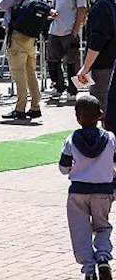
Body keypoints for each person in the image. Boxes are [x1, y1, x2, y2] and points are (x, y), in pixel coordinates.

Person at [62, 94, 116, 280]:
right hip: (104, 190)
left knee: (80, 230)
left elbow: (63, 168)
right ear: (100, 115)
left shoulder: (71, 139)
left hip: (78, 191)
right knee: (102, 226)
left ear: (77, 117)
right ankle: (102, 256)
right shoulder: (110, 138)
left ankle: (89, 267)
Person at [0, 0, 45, 120]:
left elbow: (3, 5)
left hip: (17, 35)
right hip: (31, 36)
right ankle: (35, 106)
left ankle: (20, 108)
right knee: (30, 72)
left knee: (18, 72)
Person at [79, 0, 116, 123]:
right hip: (112, 65)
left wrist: (85, 68)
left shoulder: (101, 7)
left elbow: (97, 41)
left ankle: (107, 147)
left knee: (102, 112)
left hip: (103, 69)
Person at [50, 0, 90, 100]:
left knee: (71, 62)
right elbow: (54, 4)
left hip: (69, 29)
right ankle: (59, 85)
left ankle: (73, 90)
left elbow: (82, 9)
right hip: (56, 28)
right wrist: (52, 11)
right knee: (53, 60)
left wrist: (76, 29)